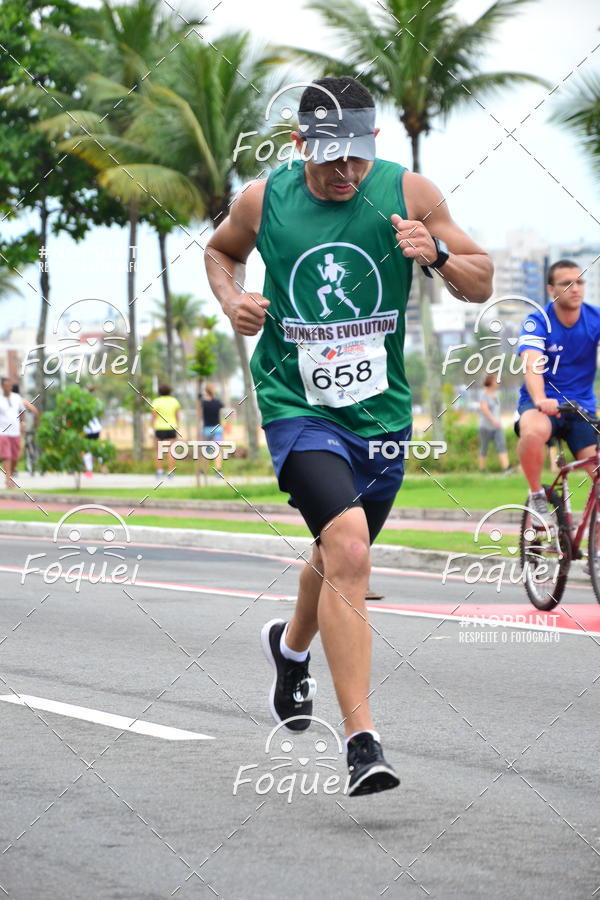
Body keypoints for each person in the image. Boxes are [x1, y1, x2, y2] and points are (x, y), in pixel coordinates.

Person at [205, 76, 492, 795]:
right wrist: (233, 298)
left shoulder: (410, 192)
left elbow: (481, 280)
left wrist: (435, 257)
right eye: (330, 157)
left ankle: (291, 649)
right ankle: (363, 740)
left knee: (337, 552)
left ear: (374, 146)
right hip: (295, 405)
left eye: (357, 156)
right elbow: (219, 252)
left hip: (382, 415)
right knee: (351, 546)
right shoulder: (263, 200)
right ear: (300, 144)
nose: (345, 171)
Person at [515, 260, 598, 521]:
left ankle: (594, 546)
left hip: (581, 407)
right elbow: (532, 363)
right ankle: (537, 494)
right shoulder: (537, 320)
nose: (575, 289)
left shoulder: (595, 318)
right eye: (567, 283)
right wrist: (540, 399)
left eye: (580, 282)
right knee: (532, 432)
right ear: (552, 289)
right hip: (543, 405)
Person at [0, 377, 39, 488]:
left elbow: (23, 411)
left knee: (15, 457)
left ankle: (10, 475)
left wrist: (23, 423)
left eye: (10, 385)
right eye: (6, 385)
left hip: (15, 432)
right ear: (2, 387)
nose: (9, 387)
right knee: (7, 455)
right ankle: (9, 480)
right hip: (3, 432)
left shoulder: (17, 398)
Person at [478, 375, 509, 472]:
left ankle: (506, 468)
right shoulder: (484, 395)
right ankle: (482, 469)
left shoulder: (496, 395)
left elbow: (497, 410)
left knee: (501, 445)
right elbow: (485, 409)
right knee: (484, 447)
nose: (497, 382)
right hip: (486, 427)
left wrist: (498, 421)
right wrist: (493, 420)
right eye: (496, 380)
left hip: (497, 426)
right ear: (490, 382)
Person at [151, 383, 181, 478]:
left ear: (159, 392)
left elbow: (154, 417)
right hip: (171, 427)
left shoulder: (156, 401)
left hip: (159, 428)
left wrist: (152, 427)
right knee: (171, 451)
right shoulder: (174, 401)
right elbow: (177, 416)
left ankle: (159, 471)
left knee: (158, 451)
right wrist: (177, 426)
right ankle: (170, 472)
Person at [201, 384, 224, 472]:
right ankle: (218, 469)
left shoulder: (203, 403)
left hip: (207, 429)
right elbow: (222, 405)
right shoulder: (217, 402)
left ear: (206, 392)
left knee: (205, 450)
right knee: (217, 450)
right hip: (217, 428)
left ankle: (204, 470)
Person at [83, 386, 103, 478]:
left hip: (89, 429)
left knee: (88, 450)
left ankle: (90, 470)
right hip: (95, 428)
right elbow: (100, 413)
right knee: (94, 448)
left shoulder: (84, 402)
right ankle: (101, 466)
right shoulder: (96, 401)